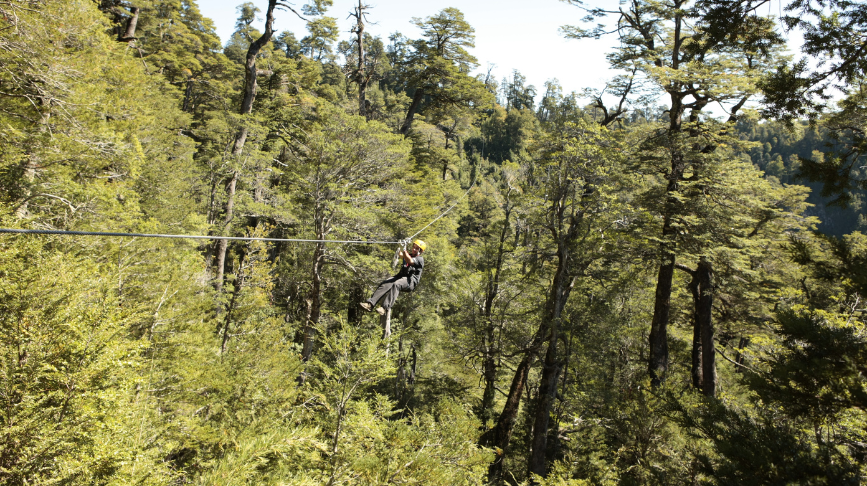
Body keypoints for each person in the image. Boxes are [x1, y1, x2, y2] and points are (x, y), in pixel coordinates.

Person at [359, 239, 426, 316]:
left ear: (421, 251)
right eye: (414, 247)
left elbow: (410, 261)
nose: (414, 249)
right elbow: (401, 255)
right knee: (385, 283)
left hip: (410, 281)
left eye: (417, 248)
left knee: (397, 284)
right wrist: (403, 245)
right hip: (400, 276)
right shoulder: (409, 255)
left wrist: (404, 250)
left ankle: (384, 308)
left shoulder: (420, 259)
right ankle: (370, 304)